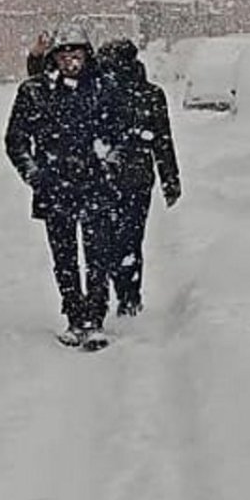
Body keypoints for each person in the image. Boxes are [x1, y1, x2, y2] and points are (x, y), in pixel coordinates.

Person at [5, 27, 122, 346]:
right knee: (64, 258)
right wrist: (34, 173)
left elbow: (121, 132)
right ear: (54, 58)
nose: (70, 61)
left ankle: (95, 317)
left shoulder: (103, 87)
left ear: (87, 55)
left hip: (95, 184)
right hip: (54, 186)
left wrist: (109, 161)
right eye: (64, 55)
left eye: (76, 54)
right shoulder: (35, 92)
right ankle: (75, 315)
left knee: (98, 257)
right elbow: (16, 139)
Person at [89, 38, 180, 320]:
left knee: (115, 240)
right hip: (120, 177)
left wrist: (170, 178)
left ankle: (122, 297)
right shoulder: (144, 94)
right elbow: (162, 140)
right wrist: (169, 178)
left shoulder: (139, 94)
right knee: (124, 240)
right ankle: (125, 297)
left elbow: (161, 139)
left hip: (122, 177)